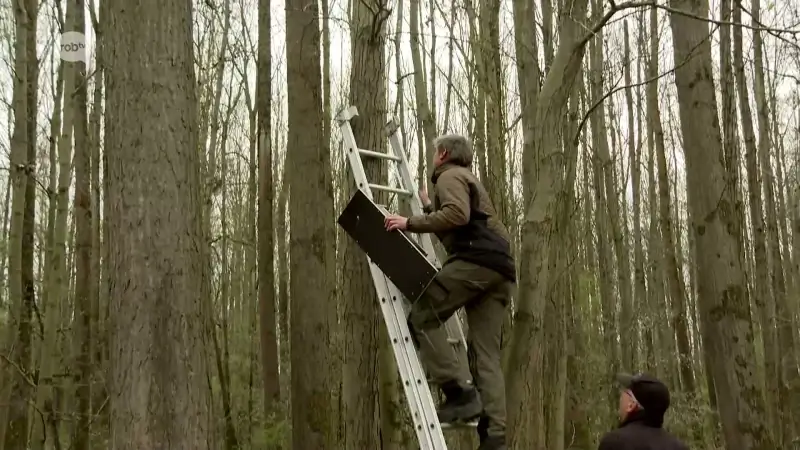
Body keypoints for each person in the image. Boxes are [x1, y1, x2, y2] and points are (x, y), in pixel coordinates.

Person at [384, 134, 515, 450]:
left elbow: (458, 214)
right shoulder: (469, 180)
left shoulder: (450, 175)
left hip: (476, 261)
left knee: (422, 315)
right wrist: (430, 206)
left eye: (433, 152)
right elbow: (464, 223)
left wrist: (410, 221)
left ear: (442, 153)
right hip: (501, 270)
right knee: (486, 355)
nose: (432, 157)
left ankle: (459, 393)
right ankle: (495, 437)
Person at [598, 372, 690, 450]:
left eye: (625, 393)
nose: (621, 398)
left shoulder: (614, 443)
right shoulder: (679, 447)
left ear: (631, 405)